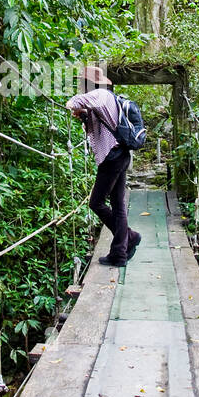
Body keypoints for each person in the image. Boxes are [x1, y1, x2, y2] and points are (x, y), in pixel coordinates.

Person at [66, 65, 141, 267]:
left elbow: (77, 101)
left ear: (90, 83)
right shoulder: (103, 99)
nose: (80, 85)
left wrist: (70, 103)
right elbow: (98, 126)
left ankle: (129, 237)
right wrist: (83, 115)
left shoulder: (100, 94)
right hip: (119, 155)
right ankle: (119, 253)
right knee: (117, 206)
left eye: (82, 81)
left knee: (96, 203)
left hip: (112, 157)